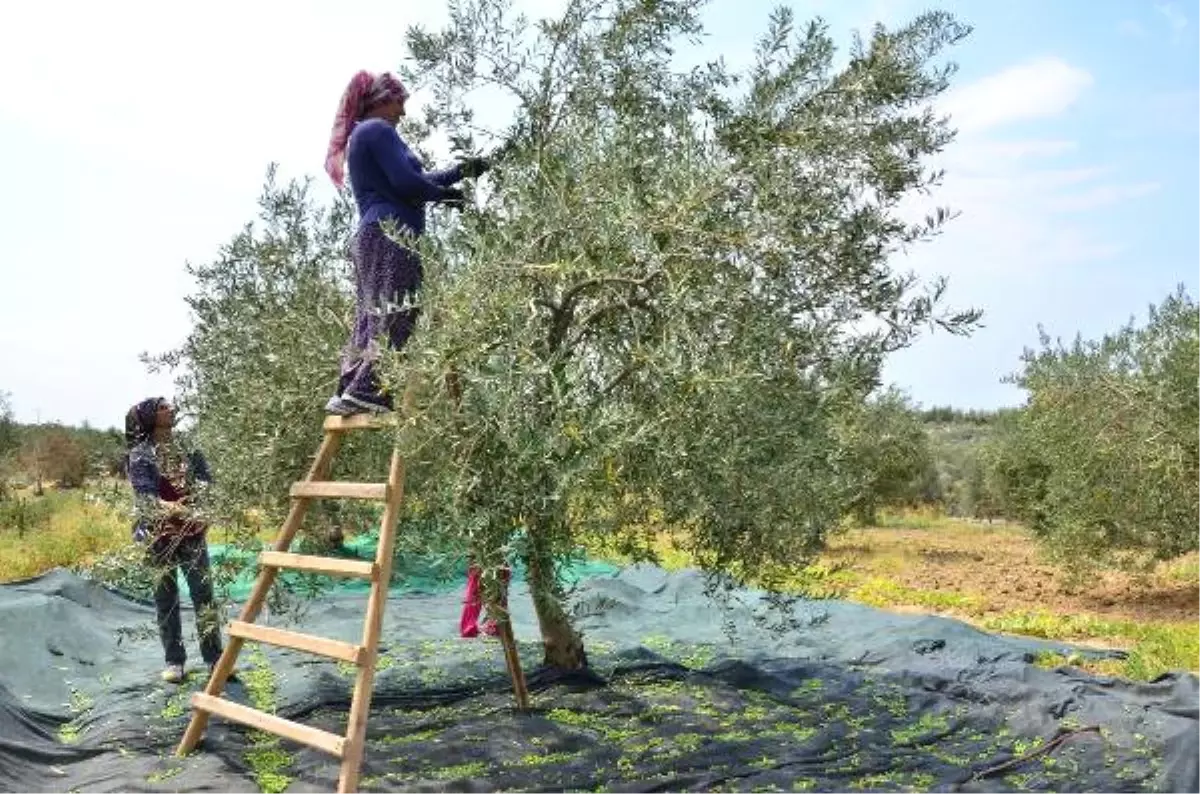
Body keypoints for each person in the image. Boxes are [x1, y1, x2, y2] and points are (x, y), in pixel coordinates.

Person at [322, 69, 490, 416]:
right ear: (383, 101)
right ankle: (369, 391)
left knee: (372, 313)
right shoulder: (378, 130)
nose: (403, 113)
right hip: (390, 234)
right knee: (398, 310)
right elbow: (406, 183)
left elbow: (412, 180)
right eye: (400, 103)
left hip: (373, 235)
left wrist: (461, 172)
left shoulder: (365, 134)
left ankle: (350, 386)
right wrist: (444, 195)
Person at [125, 398, 233, 684]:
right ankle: (175, 661)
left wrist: (204, 510)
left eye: (169, 406)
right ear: (150, 417)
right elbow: (146, 498)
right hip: (158, 536)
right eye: (163, 407)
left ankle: (215, 660)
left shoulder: (188, 447)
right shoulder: (140, 454)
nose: (170, 409)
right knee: (166, 600)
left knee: (204, 596)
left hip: (192, 533)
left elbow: (206, 483)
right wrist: (176, 509)